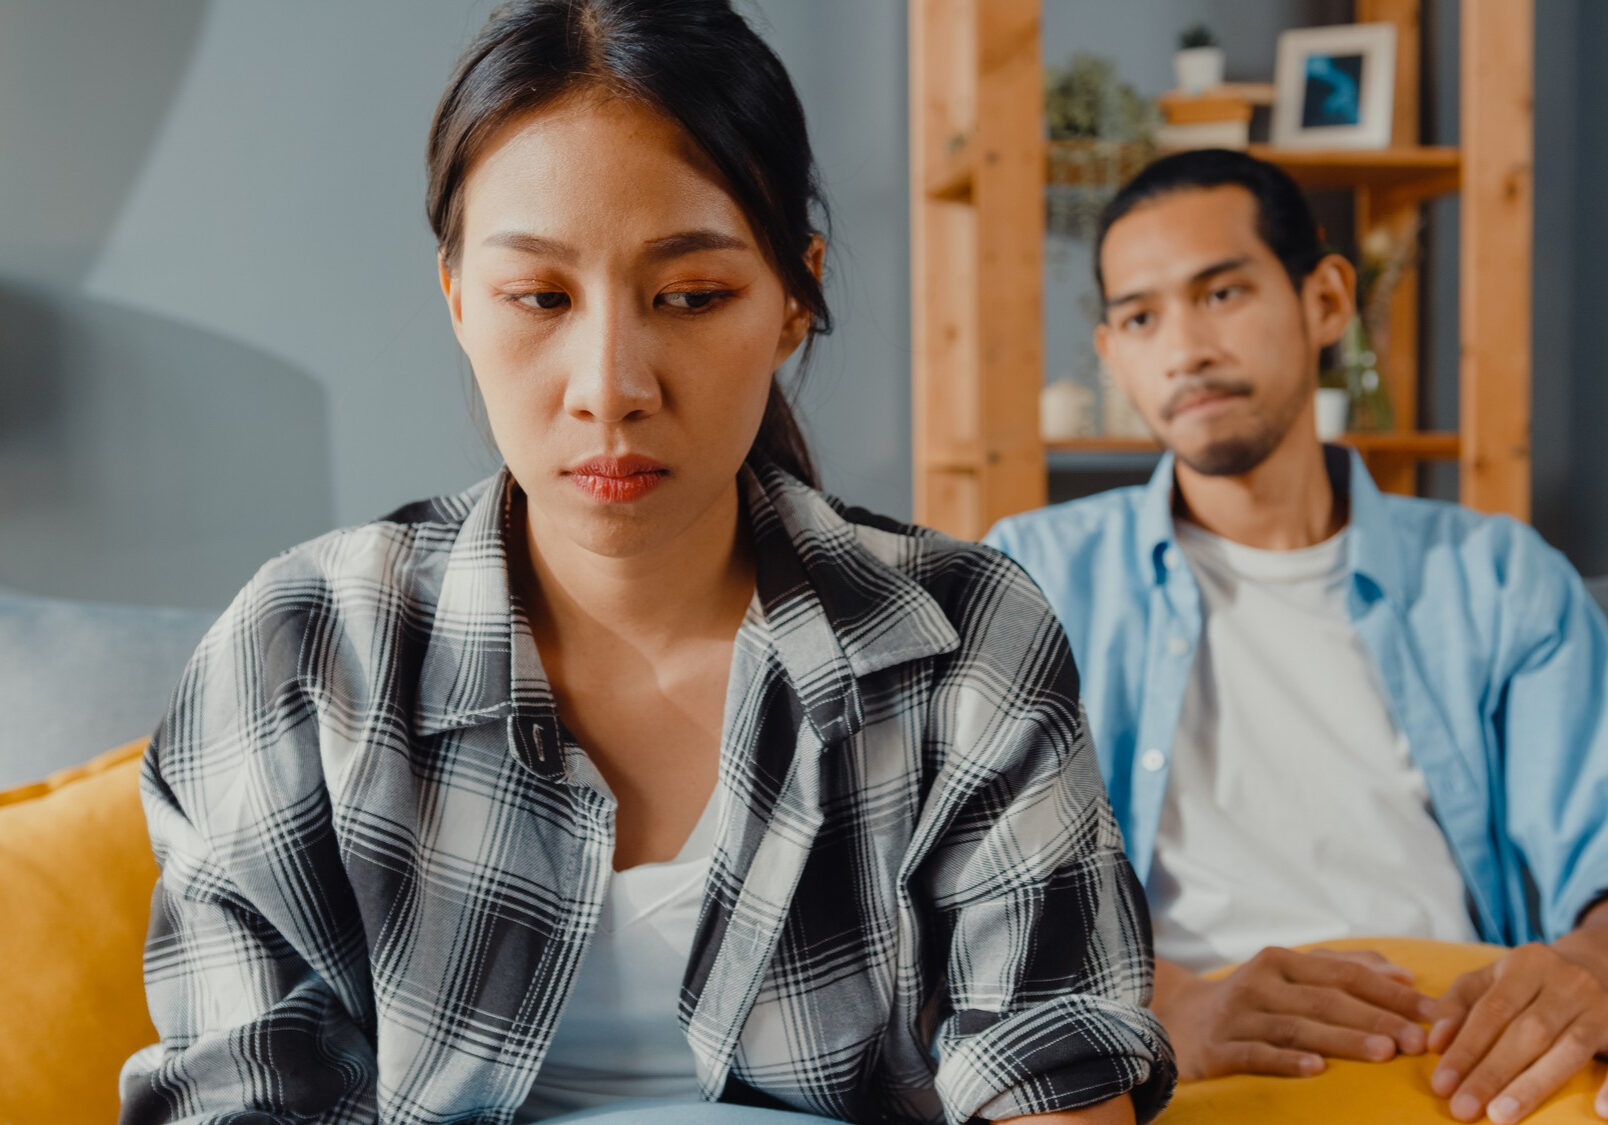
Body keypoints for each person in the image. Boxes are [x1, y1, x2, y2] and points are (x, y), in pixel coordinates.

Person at [117, 3, 1174, 1123]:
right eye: (541, 298)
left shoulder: (966, 640)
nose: (611, 383)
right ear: (459, 300)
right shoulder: (298, 651)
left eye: (690, 297)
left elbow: (1049, 1072)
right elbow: (242, 1095)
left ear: (793, 299)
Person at [985, 148, 1608, 1125]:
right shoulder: (1031, 578)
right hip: (1174, 1062)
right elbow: (955, 897)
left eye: (1221, 292)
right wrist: (1165, 1005)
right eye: (1142, 317)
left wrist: (1588, 968)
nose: (1184, 349)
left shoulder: (1498, 579)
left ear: (1324, 300)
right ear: (1111, 355)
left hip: (1465, 1064)